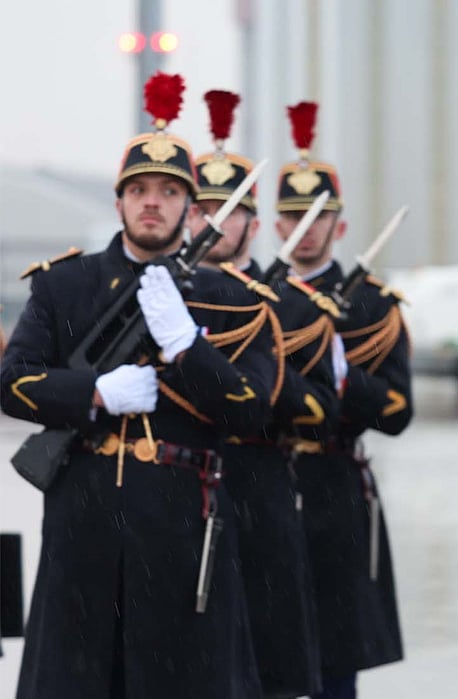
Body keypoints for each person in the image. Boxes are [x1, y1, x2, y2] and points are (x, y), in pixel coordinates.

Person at [0, 72, 275, 697]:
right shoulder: (64, 286)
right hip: (84, 523)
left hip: (182, 524)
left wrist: (187, 346)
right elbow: (13, 384)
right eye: (140, 189)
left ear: (190, 205)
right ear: (120, 201)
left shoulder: (233, 299)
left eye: (170, 191)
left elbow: (252, 413)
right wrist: (93, 393)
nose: (153, 202)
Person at [186, 89, 333, 698]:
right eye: (206, 208)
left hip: (259, 487)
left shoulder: (296, 306)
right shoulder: (160, 294)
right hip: (184, 495)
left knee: (268, 669)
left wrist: (252, 377)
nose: (218, 221)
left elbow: (324, 411)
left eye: (233, 207)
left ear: (254, 220)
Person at [274, 101, 413, 699]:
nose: (306, 227)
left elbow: (397, 413)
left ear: (342, 226)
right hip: (264, 481)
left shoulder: (373, 307)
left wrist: (344, 378)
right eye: (294, 216)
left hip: (334, 485)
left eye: (318, 215)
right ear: (275, 225)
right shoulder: (249, 297)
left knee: (335, 658)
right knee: (263, 646)